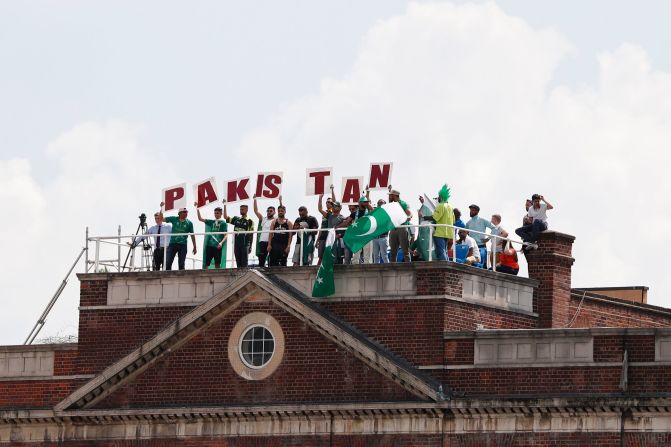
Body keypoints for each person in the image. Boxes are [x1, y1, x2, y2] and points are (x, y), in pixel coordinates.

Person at [159, 204, 197, 271]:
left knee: (181, 264)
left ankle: (182, 279)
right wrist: (161, 208)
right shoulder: (174, 219)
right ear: (179, 213)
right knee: (168, 263)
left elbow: (192, 235)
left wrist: (195, 247)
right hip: (172, 244)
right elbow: (161, 219)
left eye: (187, 212)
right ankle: (168, 278)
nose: (186, 213)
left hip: (183, 245)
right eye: (184, 212)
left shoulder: (189, 223)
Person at [339, 196, 373, 264]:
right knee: (356, 253)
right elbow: (346, 222)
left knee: (367, 253)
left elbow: (372, 210)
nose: (366, 204)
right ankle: (355, 266)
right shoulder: (354, 213)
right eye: (364, 202)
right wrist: (337, 226)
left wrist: (367, 203)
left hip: (367, 235)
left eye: (367, 202)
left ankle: (368, 268)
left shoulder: (369, 211)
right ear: (360, 203)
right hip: (358, 235)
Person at [194, 203, 227, 269]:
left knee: (217, 264)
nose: (216, 214)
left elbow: (226, 235)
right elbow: (200, 219)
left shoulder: (223, 223)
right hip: (210, 245)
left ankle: (218, 277)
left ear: (221, 214)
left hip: (217, 246)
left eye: (217, 213)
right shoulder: (211, 222)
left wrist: (221, 243)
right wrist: (197, 208)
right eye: (215, 213)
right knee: (206, 263)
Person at [427, 185, 454, 261]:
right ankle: (447, 266)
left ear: (441, 197)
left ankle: (444, 267)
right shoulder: (450, 207)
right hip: (448, 233)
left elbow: (434, 217)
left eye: (438, 196)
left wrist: (424, 217)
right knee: (444, 251)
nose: (438, 198)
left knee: (440, 252)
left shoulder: (440, 206)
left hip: (440, 232)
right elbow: (453, 220)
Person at [223, 201, 254, 267]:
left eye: (242, 209)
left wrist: (250, 246)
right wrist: (225, 205)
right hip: (236, 243)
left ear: (246, 210)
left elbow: (251, 234)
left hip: (245, 244)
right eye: (240, 209)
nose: (241, 210)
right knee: (238, 262)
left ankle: (245, 276)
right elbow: (225, 217)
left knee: (244, 262)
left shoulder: (250, 221)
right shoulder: (236, 219)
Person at [253, 195, 280, 267]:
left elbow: (281, 211)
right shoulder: (263, 219)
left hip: (271, 241)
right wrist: (255, 199)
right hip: (262, 241)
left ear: (274, 212)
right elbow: (256, 211)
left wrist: (280, 201)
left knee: (272, 260)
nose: (269, 212)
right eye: (268, 211)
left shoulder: (276, 219)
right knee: (261, 260)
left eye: (271, 211)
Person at [387, 186, 412, 262]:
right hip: (393, 228)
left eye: (391, 195)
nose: (389, 196)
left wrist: (407, 217)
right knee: (393, 252)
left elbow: (410, 214)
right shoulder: (392, 204)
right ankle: (392, 268)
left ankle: (408, 267)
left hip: (402, 228)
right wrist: (390, 190)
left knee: (405, 250)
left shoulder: (403, 203)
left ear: (395, 196)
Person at [318, 193, 345, 264]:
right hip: (329, 240)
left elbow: (344, 229)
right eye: (332, 205)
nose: (333, 207)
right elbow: (320, 209)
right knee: (329, 258)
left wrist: (338, 235)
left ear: (339, 208)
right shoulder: (329, 215)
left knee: (339, 258)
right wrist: (320, 198)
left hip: (338, 241)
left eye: (335, 206)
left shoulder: (342, 218)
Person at [316, 185, 337, 265]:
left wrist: (332, 190)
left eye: (329, 202)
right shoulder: (325, 213)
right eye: (327, 202)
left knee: (329, 254)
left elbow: (335, 202)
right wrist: (320, 198)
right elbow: (319, 209)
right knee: (321, 255)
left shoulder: (334, 212)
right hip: (323, 235)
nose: (328, 203)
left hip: (330, 235)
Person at [371, 199, 389, 263]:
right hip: (375, 238)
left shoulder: (387, 213)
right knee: (375, 256)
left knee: (384, 256)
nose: (380, 204)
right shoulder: (375, 214)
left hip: (383, 237)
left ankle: (388, 271)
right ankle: (376, 272)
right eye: (378, 203)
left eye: (381, 202)